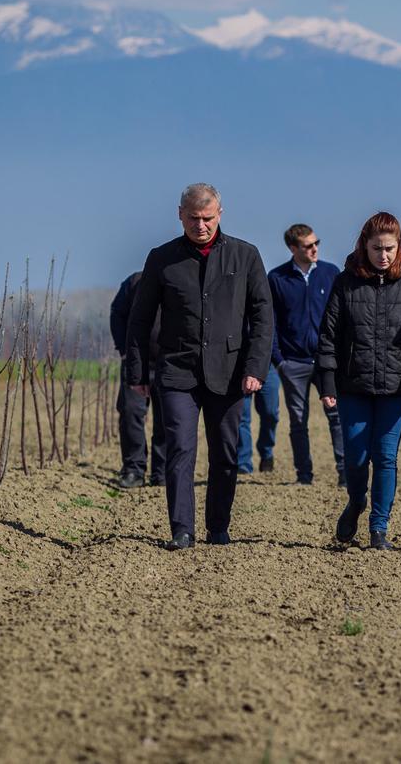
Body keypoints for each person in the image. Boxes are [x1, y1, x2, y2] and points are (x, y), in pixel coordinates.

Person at [124, 183, 273, 549]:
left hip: (230, 371)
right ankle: (182, 529)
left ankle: (218, 526)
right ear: (180, 215)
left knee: (225, 452)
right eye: (193, 218)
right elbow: (140, 319)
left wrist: (255, 368)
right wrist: (138, 373)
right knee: (179, 449)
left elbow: (263, 316)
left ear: (220, 214)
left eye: (207, 218)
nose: (201, 225)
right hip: (178, 370)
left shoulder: (246, 256)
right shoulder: (161, 258)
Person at [317, 212, 401, 550]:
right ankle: (357, 502)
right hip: (352, 385)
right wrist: (327, 383)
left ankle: (378, 528)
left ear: (399, 247)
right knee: (356, 457)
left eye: (390, 249)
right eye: (377, 249)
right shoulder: (345, 284)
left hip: (396, 387)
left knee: (385, 457)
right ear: (364, 247)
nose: (383, 256)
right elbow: (329, 336)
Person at [269, 223, 346, 486]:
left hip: (327, 362)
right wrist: (280, 362)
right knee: (298, 421)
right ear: (293, 248)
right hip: (294, 363)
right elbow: (271, 323)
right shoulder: (277, 279)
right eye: (308, 245)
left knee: (336, 416)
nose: (315, 249)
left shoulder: (331, 273)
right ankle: (304, 475)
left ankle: (345, 474)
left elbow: (341, 318)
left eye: (316, 243)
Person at [110, 271, 167, 488]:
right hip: (136, 362)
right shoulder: (134, 282)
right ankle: (133, 469)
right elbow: (117, 312)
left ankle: (162, 473)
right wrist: (124, 350)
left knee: (167, 419)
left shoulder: (179, 280)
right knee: (131, 413)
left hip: (168, 363)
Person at [237, 366, 280, 474]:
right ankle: (243, 462)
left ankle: (267, 452)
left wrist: (280, 361)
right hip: (240, 369)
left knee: (271, 414)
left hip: (268, 368)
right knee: (241, 418)